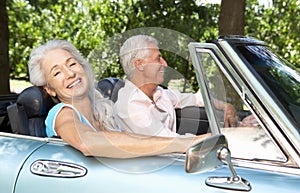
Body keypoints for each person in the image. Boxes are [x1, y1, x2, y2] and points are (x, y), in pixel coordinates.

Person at [28, 39, 209, 159]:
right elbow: (87, 142)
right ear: (50, 88)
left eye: (72, 64)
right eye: (57, 72)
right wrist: (185, 143)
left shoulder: (103, 109)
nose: (70, 73)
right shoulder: (61, 114)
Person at [115, 35, 239, 137]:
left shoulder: (161, 94)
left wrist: (226, 106)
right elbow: (169, 142)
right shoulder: (129, 106)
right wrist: (221, 137)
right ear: (140, 64)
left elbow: (198, 98)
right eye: (158, 59)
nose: (165, 63)